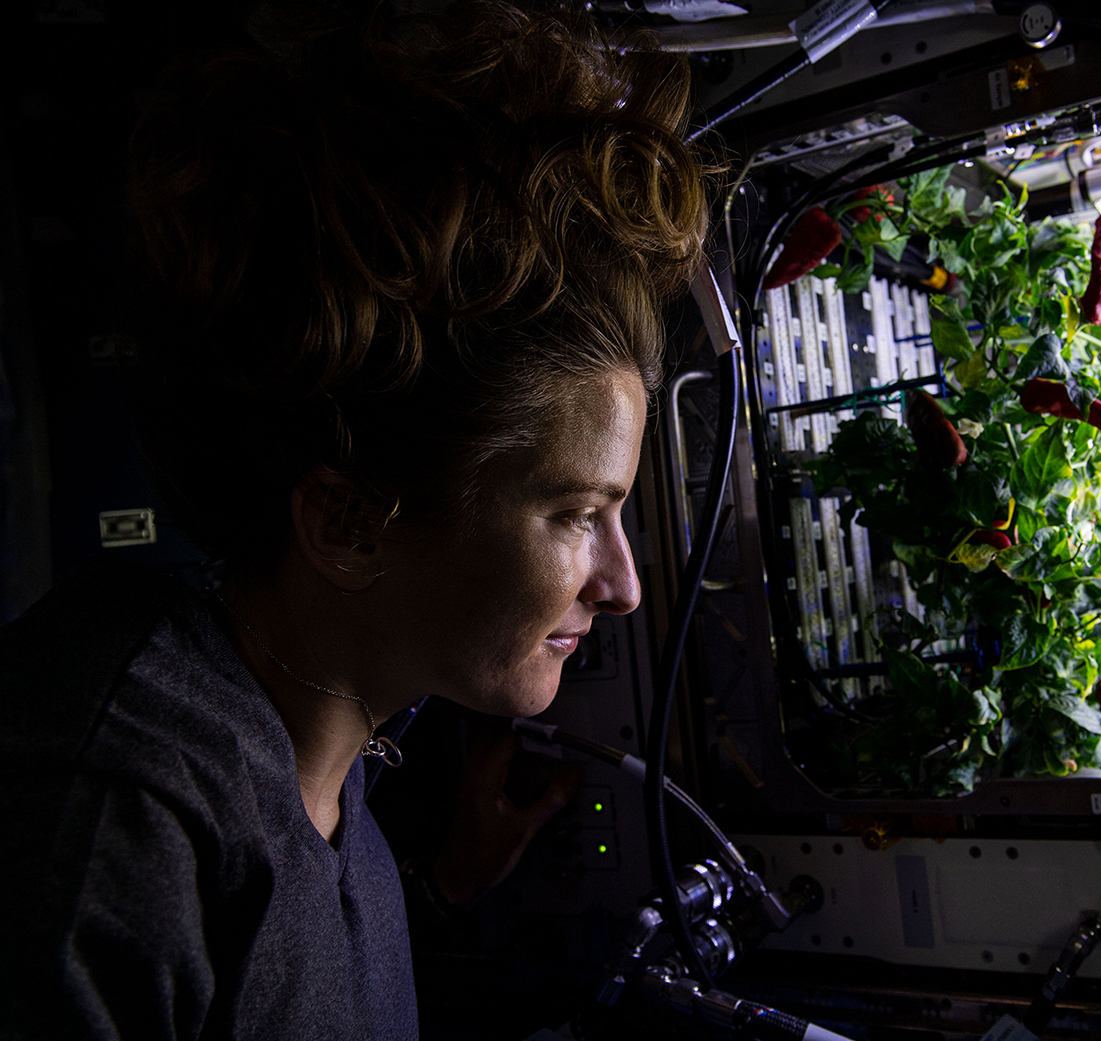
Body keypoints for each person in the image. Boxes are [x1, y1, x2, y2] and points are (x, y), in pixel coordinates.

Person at [0, 2, 709, 1036]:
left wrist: (452, 887)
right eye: (573, 513)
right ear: (348, 525)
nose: (623, 583)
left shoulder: (338, 800)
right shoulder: (117, 807)